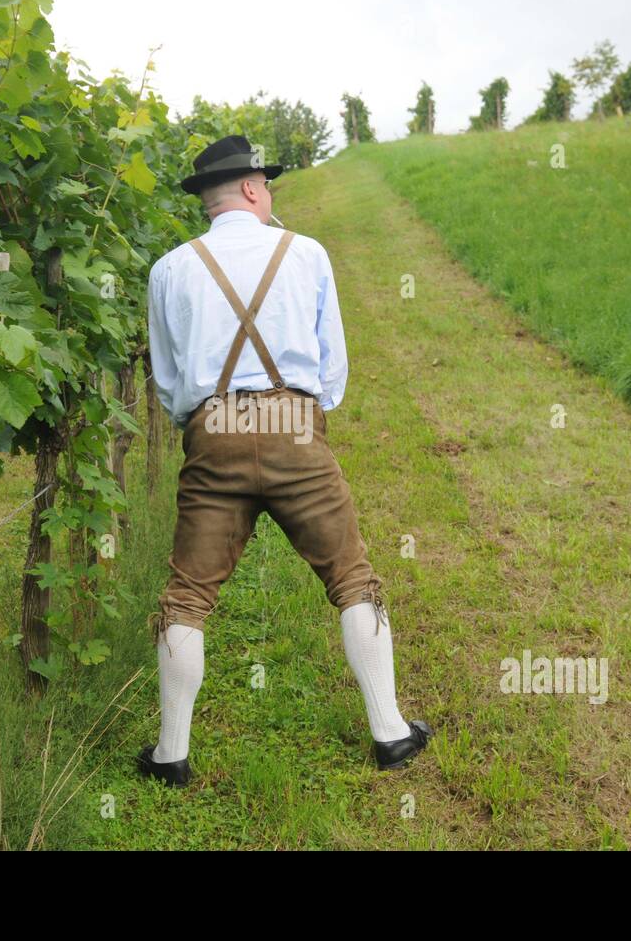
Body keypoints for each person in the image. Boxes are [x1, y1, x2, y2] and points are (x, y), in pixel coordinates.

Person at [138, 135, 431, 788]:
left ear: (208, 198)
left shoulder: (169, 270)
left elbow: (166, 377)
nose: (270, 195)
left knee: (187, 595)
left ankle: (170, 755)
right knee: (351, 576)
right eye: (266, 184)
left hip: (212, 431)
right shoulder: (307, 253)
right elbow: (334, 364)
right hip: (295, 426)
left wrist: (207, 421)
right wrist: (304, 414)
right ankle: (389, 733)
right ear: (249, 188)